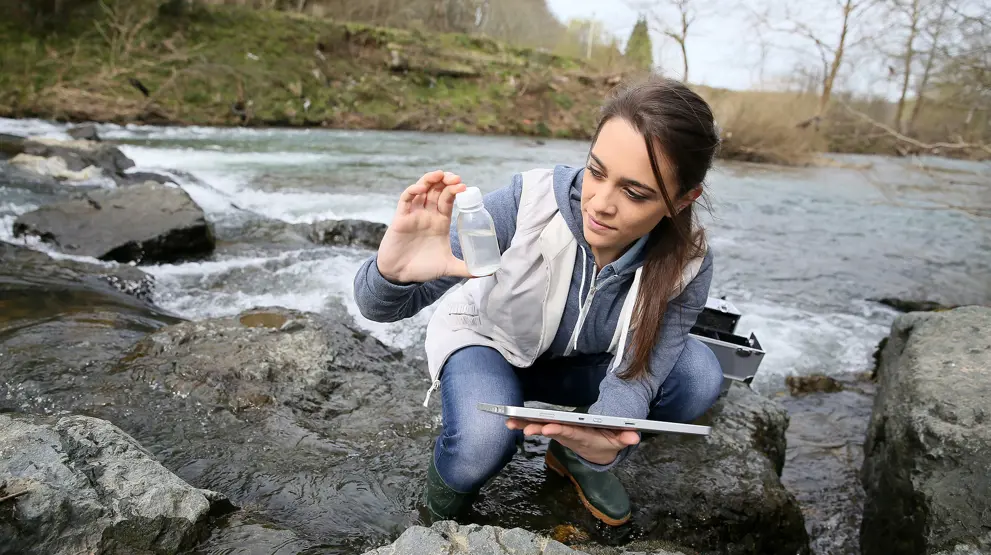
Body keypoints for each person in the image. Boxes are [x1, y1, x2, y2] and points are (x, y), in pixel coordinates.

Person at [352, 76, 724, 526]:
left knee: (698, 374)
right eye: (597, 171)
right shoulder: (525, 202)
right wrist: (391, 272)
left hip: (585, 368)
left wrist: (605, 437)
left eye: (634, 192)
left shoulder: (689, 263)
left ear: (683, 200)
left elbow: (637, 374)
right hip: (491, 349)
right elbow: (379, 309)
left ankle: (573, 454)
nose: (600, 203)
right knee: (482, 443)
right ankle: (436, 519)